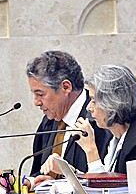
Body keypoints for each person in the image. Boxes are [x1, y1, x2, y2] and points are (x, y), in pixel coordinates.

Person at [40, 64, 136, 175]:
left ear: (113, 103)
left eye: (93, 101)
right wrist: (69, 172)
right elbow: (107, 179)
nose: (89, 108)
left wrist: (91, 150)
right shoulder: (117, 136)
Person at [26, 51, 111, 186]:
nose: (36, 102)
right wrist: (28, 182)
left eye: (40, 94)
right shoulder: (50, 120)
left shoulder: (99, 122)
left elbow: (105, 181)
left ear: (66, 87)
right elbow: (39, 172)